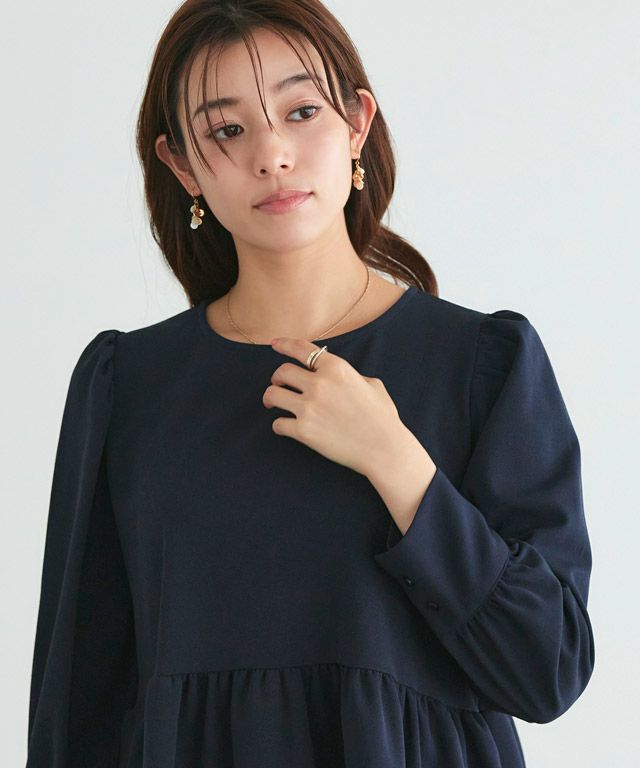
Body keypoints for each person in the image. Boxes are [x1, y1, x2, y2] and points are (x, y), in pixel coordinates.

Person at [25, 1, 595, 766]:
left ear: (357, 123)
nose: (272, 155)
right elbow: (77, 707)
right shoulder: (127, 386)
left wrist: (396, 463)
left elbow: (547, 669)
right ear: (182, 165)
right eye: (227, 130)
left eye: (301, 112)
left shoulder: (482, 364)